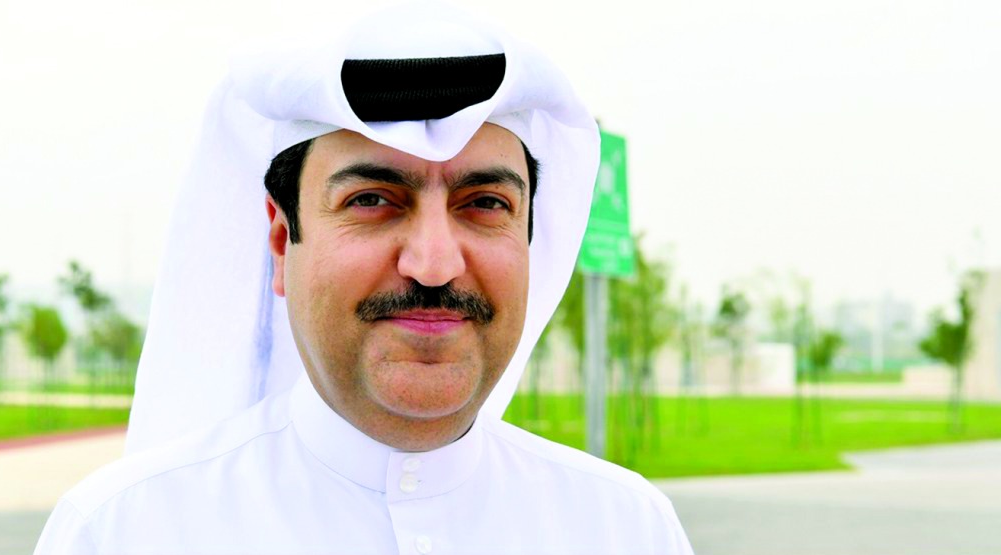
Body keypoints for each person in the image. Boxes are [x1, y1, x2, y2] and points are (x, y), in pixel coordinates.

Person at [35, 4, 693, 554]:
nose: (434, 264)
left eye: (485, 204)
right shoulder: (125, 531)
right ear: (280, 242)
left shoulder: (625, 528)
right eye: (373, 200)